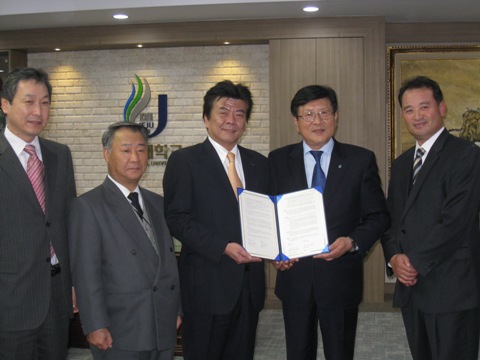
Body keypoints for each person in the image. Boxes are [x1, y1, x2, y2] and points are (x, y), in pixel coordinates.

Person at [268, 84, 390, 360]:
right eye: (308, 114)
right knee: (297, 353)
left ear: (336, 117)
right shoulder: (277, 161)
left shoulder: (360, 160)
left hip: (340, 279)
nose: (317, 121)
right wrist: (275, 252)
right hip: (294, 277)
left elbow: (379, 216)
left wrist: (352, 242)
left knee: (340, 353)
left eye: (324, 112)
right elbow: (270, 215)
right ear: (296, 123)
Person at [163, 80, 268, 360]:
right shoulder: (184, 161)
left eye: (240, 113)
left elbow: (268, 217)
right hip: (207, 286)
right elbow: (177, 218)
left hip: (249, 286)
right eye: (223, 112)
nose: (231, 120)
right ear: (206, 118)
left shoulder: (259, 163)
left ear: (246, 122)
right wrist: (223, 246)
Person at [381, 76, 480, 360]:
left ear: (442, 108)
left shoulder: (466, 155)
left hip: (452, 287)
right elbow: (392, 221)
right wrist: (394, 258)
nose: (417, 116)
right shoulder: (401, 164)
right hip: (412, 287)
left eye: (424, 107)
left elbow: (456, 221)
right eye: (409, 109)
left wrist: (414, 263)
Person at [68, 122, 181, 360]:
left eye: (141, 150)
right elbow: (86, 272)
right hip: (120, 328)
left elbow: (169, 263)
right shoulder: (88, 206)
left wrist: (176, 309)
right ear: (107, 153)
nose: (135, 158)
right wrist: (94, 324)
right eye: (126, 150)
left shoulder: (157, 203)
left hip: (162, 321)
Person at [0, 67, 77, 359]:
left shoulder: (60, 154)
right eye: (29, 101)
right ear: (5, 104)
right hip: (9, 302)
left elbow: (67, 222)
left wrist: (73, 281)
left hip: (56, 298)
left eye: (45, 102)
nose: (38, 111)